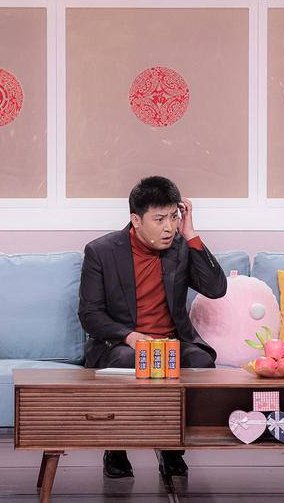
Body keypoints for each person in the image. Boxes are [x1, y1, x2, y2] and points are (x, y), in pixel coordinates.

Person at [78, 175, 227, 479]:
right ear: (136, 220)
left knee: (200, 360)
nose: (169, 227)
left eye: (174, 216)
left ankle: (172, 447)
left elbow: (216, 289)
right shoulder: (101, 251)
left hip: (170, 342)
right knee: (127, 359)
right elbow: (90, 314)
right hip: (121, 345)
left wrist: (191, 235)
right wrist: (130, 336)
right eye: (159, 219)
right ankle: (116, 447)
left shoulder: (181, 247)